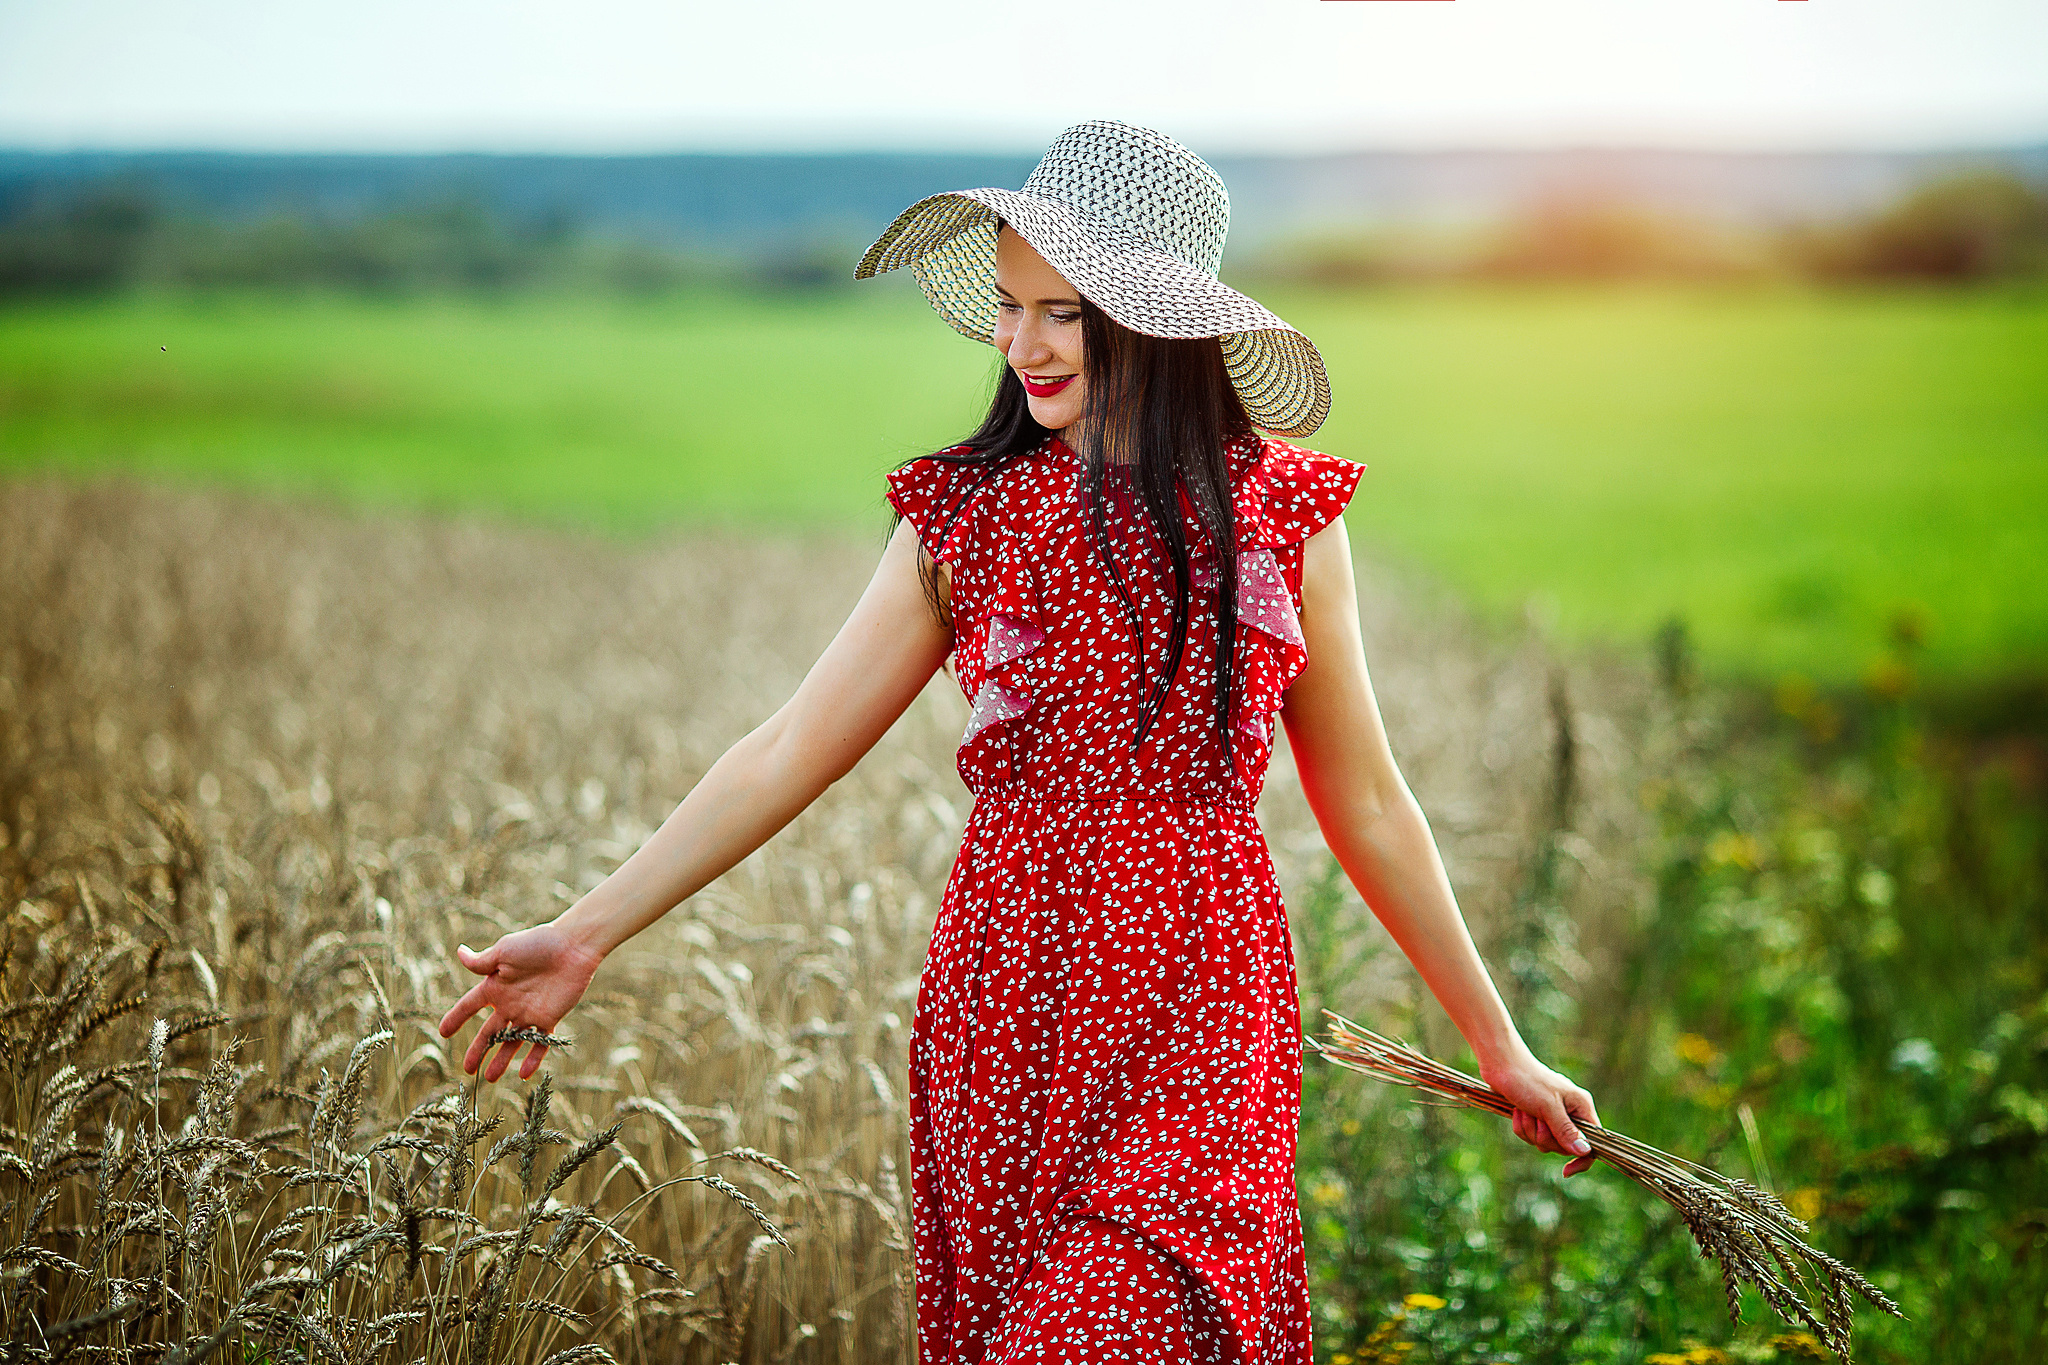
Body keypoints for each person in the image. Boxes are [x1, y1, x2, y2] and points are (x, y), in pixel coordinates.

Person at [439, 120, 1600, 1365]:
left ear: (1156, 320)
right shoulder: (962, 514)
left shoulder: (1280, 513)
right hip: (1002, 1002)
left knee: (1119, 1322)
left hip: (1200, 1008)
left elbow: (1365, 800)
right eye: (1007, 306)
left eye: (1062, 313)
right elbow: (788, 748)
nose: (1018, 344)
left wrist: (1499, 1046)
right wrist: (586, 931)